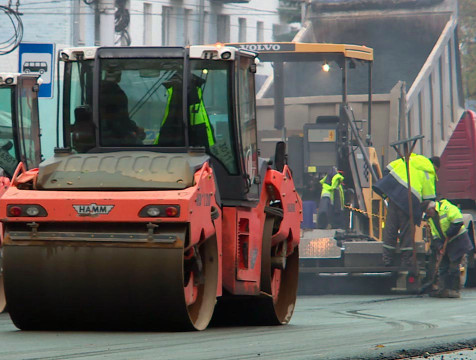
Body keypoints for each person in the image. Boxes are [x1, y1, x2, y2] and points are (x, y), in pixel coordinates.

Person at [373, 154, 439, 267]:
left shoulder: (410, 158)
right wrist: (426, 211)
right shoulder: (429, 170)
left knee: (391, 227)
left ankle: (387, 259)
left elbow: (387, 169)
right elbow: (429, 197)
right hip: (409, 199)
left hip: (395, 194)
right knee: (407, 231)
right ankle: (406, 261)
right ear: (435, 166)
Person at [421, 199, 473, 298]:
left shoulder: (447, 207)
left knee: (453, 267)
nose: (429, 215)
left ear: (432, 209)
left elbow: (458, 221)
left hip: (457, 240)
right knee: (443, 267)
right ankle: (443, 290)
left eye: (428, 212)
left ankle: (454, 290)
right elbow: (434, 234)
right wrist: (440, 246)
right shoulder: (431, 218)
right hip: (445, 242)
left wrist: (450, 232)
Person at [100, 69, 145, 146]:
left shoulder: (94, 89)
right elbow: (122, 120)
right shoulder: (117, 93)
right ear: (119, 77)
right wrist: (135, 129)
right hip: (113, 136)